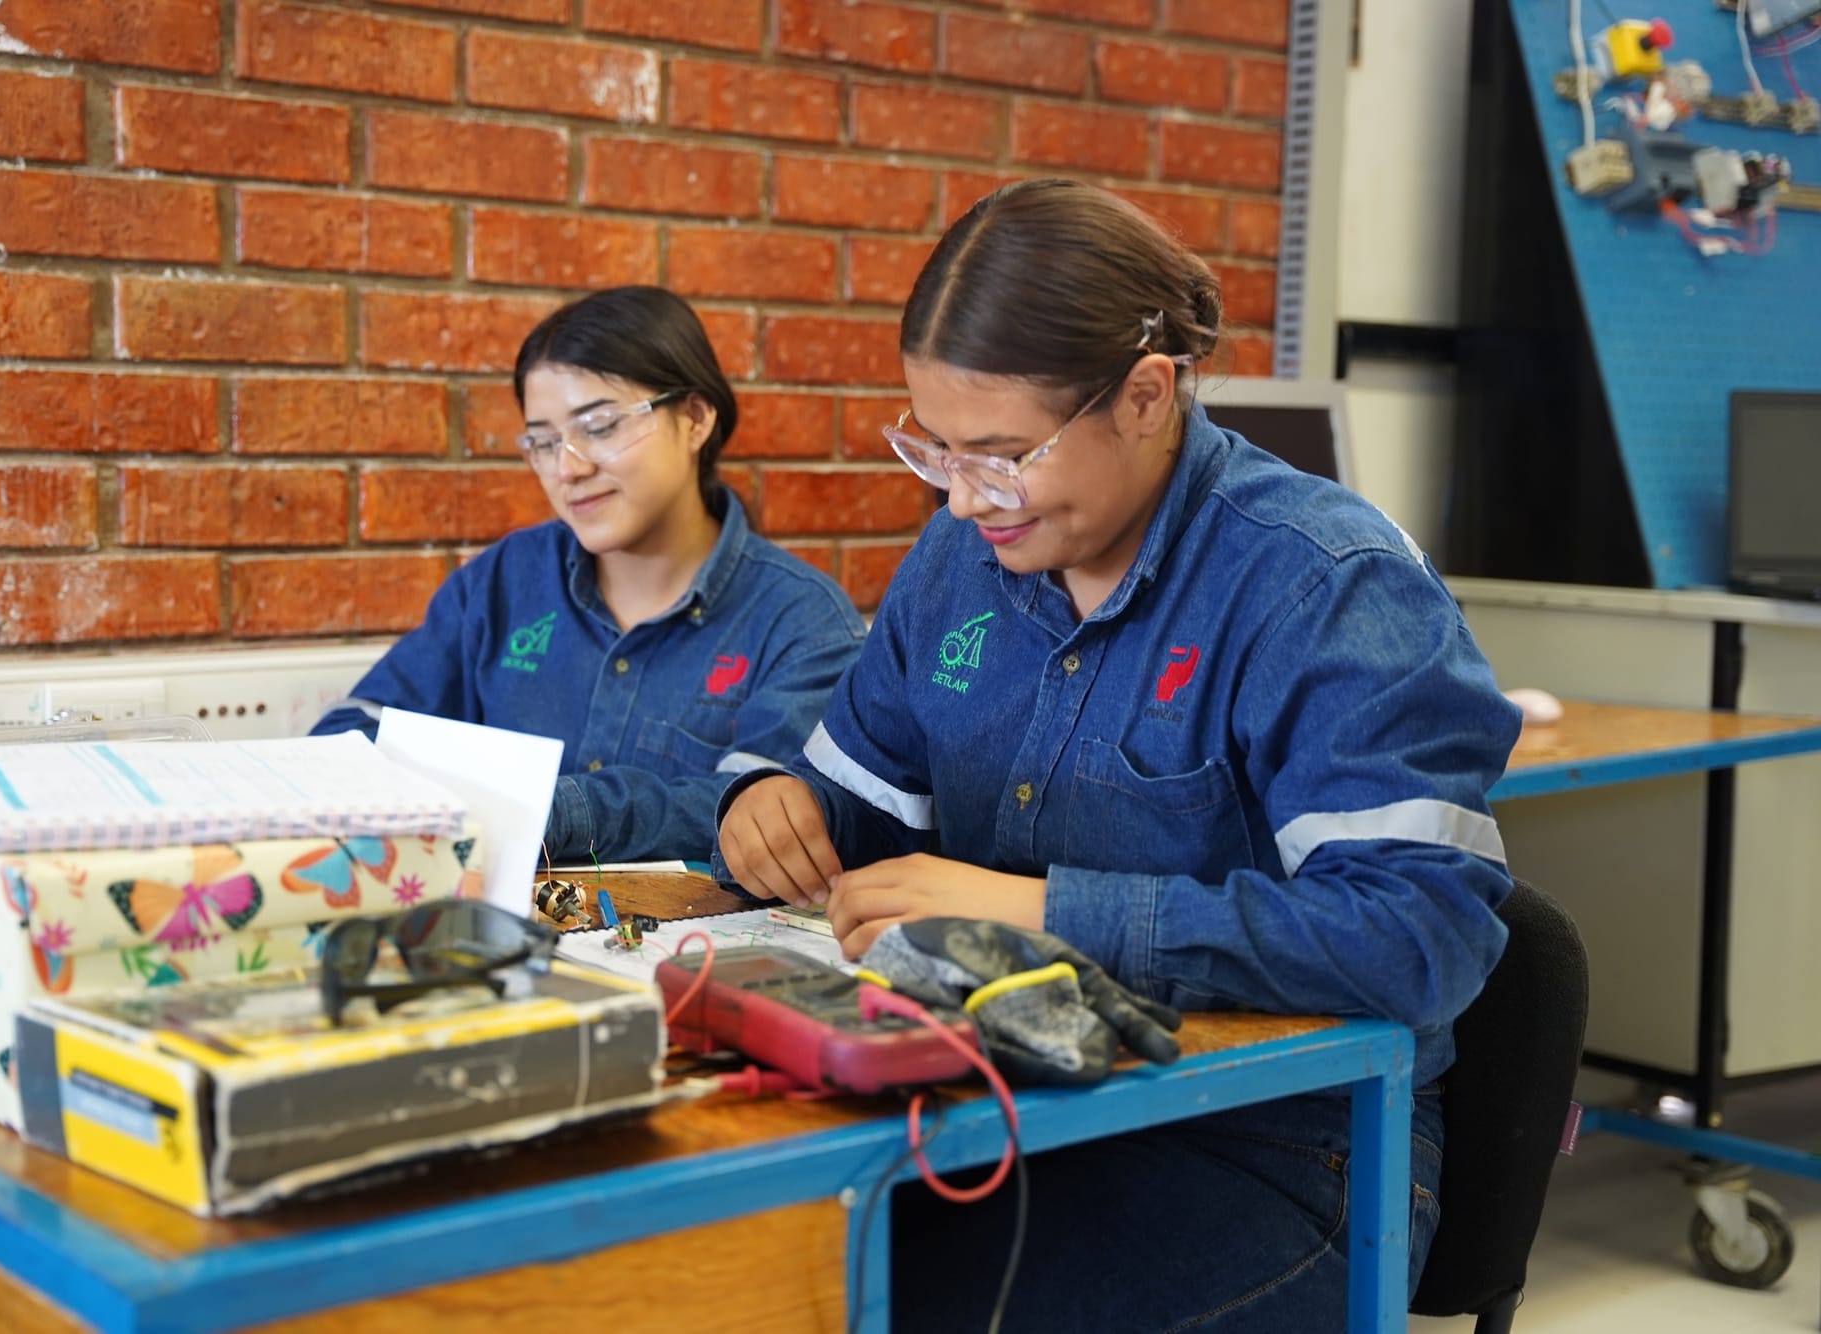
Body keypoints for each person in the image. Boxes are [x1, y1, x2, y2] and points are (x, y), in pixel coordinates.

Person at [715, 180, 1522, 1330]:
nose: (958, 498)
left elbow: (1415, 937)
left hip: (1275, 1148)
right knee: (740, 1273)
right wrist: (768, 796)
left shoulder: (1319, 583)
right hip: (1008, 1102)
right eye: (932, 447)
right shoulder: (963, 564)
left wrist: (1044, 908)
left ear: (1145, 396)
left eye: (998, 453)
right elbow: (853, 805)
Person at [313, 286, 865, 865]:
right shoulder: (506, 581)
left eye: (599, 426)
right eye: (544, 442)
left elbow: (754, 819)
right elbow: (354, 733)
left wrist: (550, 812)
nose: (567, 468)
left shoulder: (801, 622)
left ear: (697, 418)